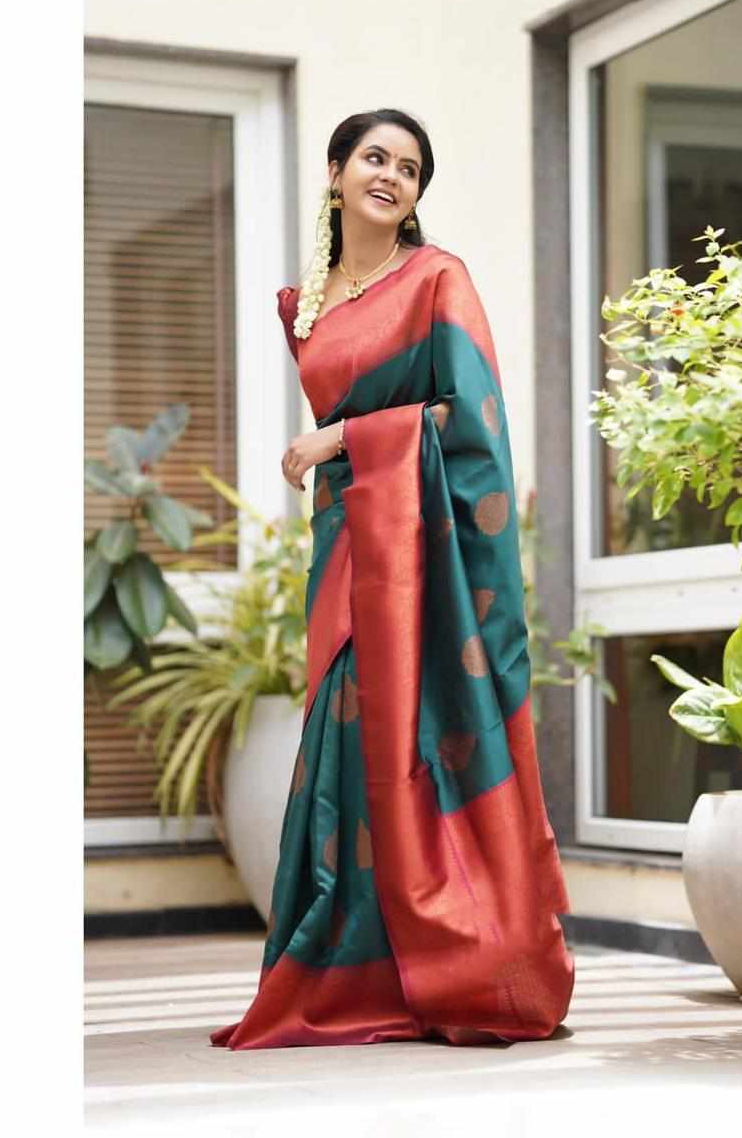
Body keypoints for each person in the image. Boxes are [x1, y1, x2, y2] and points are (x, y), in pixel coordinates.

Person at [210, 108, 575, 1049]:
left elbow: (471, 418)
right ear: (336, 172)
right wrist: (344, 453)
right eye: (374, 158)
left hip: (422, 553)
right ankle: (352, 961)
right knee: (345, 736)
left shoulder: (437, 280)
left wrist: (340, 436)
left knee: (418, 728)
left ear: (415, 195)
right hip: (346, 545)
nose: (390, 176)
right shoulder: (305, 306)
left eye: (408, 169)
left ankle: (462, 959)